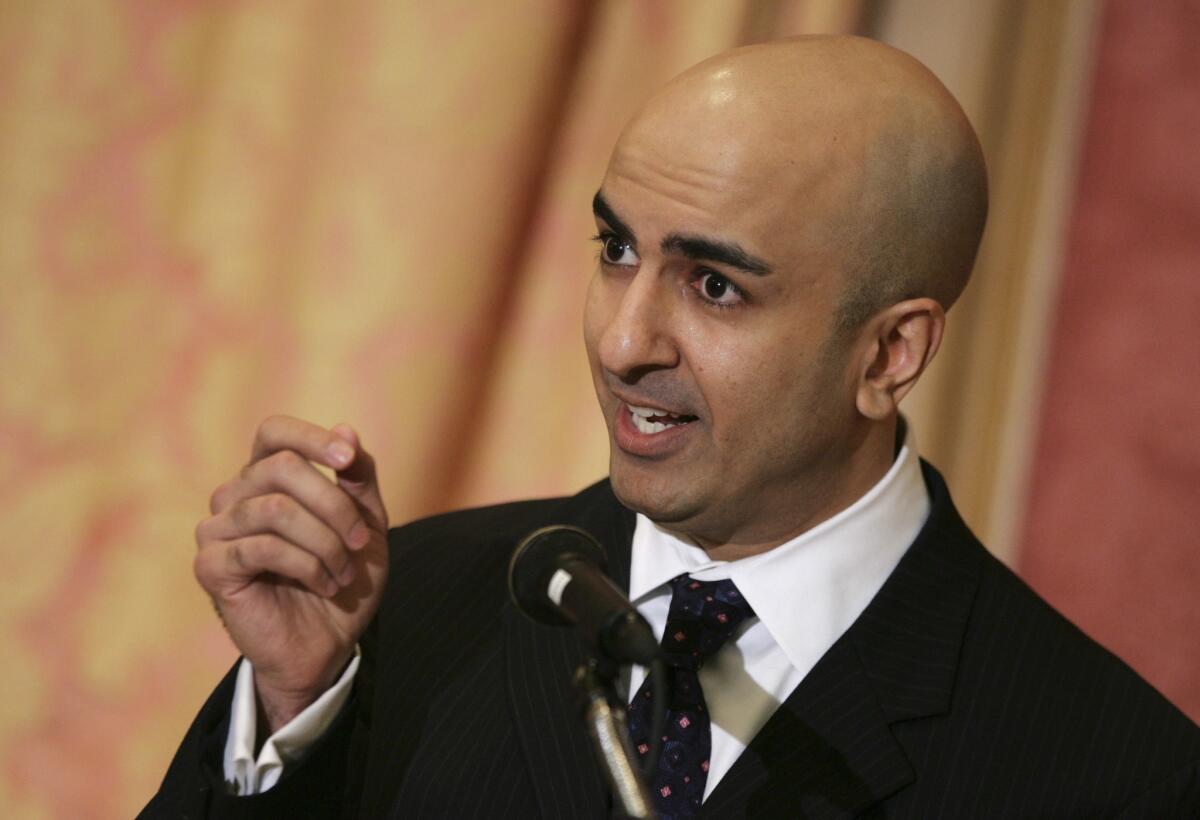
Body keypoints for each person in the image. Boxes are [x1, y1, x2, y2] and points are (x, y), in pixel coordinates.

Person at [142, 36, 1200, 818]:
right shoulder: (405, 611)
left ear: (889, 356)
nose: (622, 340)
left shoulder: (1114, 773)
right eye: (614, 250)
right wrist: (295, 709)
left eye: (714, 284)